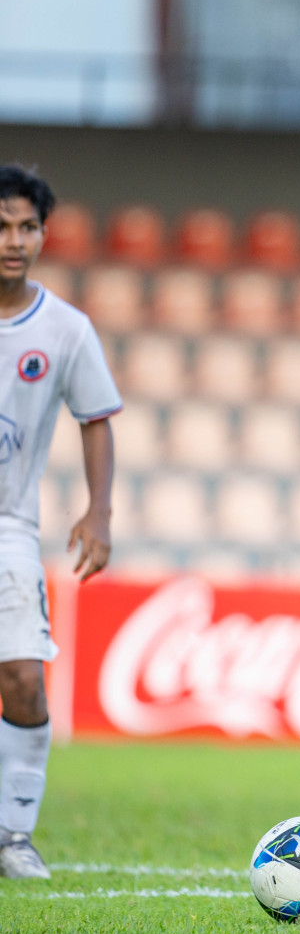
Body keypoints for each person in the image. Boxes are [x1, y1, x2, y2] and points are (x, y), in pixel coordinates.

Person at [0, 165, 120, 880]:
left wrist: (98, 511)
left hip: (8, 524)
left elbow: (97, 418)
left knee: (21, 676)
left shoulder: (65, 330)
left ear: (43, 234)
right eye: (1, 226)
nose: (14, 241)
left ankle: (13, 835)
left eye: (26, 227)